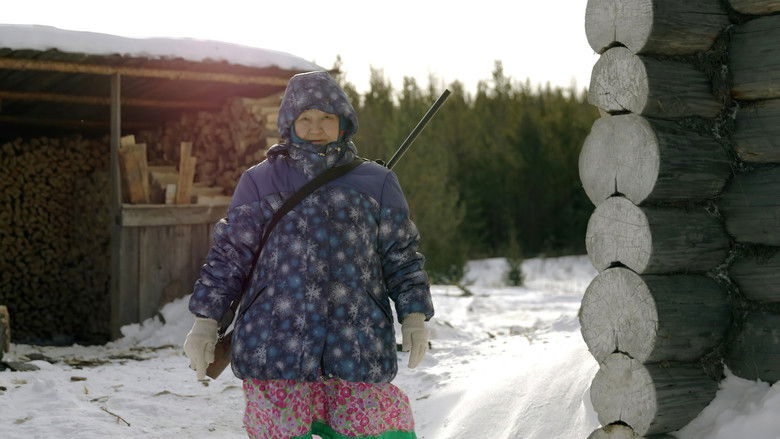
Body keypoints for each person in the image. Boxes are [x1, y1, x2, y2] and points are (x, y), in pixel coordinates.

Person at [183, 71, 434, 439]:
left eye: (326, 118)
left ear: (343, 122)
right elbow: (229, 257)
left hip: (356, 340)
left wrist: (413, 314)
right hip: (276, 342)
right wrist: (206, 322)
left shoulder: (377, 181)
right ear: (290, 123)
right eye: (306, 118)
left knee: (379, 428)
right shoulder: (260, 180)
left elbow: (401, 255)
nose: (316, 127)